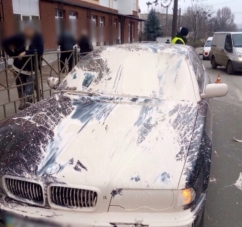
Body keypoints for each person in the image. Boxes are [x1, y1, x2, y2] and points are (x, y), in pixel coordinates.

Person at [2, 21, 44, 110]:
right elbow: (4, 42)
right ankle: (25, 105)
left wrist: (26, 52)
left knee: (28, 90)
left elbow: (40, 50)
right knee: (21, 88)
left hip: (32, 68)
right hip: (18, 68)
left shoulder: (37, 37)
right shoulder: (19, 36)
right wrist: (13, 56)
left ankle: (28, 104)